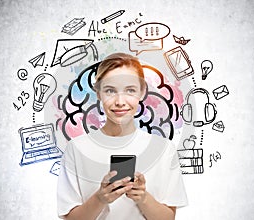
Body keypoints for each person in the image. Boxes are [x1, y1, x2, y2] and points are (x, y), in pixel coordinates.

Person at [57, 53, 188, 220]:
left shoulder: (163, 149)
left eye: (130, 90)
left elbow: (168, 218)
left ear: (142, 92)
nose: (120, 101)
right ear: (98, 93)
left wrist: (143, 198)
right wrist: (100, 198)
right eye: (110, 90)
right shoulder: (76, 149)